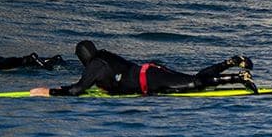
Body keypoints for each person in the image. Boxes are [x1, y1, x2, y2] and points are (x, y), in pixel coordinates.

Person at [29, 40, 258, 96]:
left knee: (196, 84)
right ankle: (231, 63)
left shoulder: (95, 66)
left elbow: (77, 90)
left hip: (150, 79)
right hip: (150, 73)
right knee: (194, 81)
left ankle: (238, 77)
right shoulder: (104, 56)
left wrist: (48, 91)